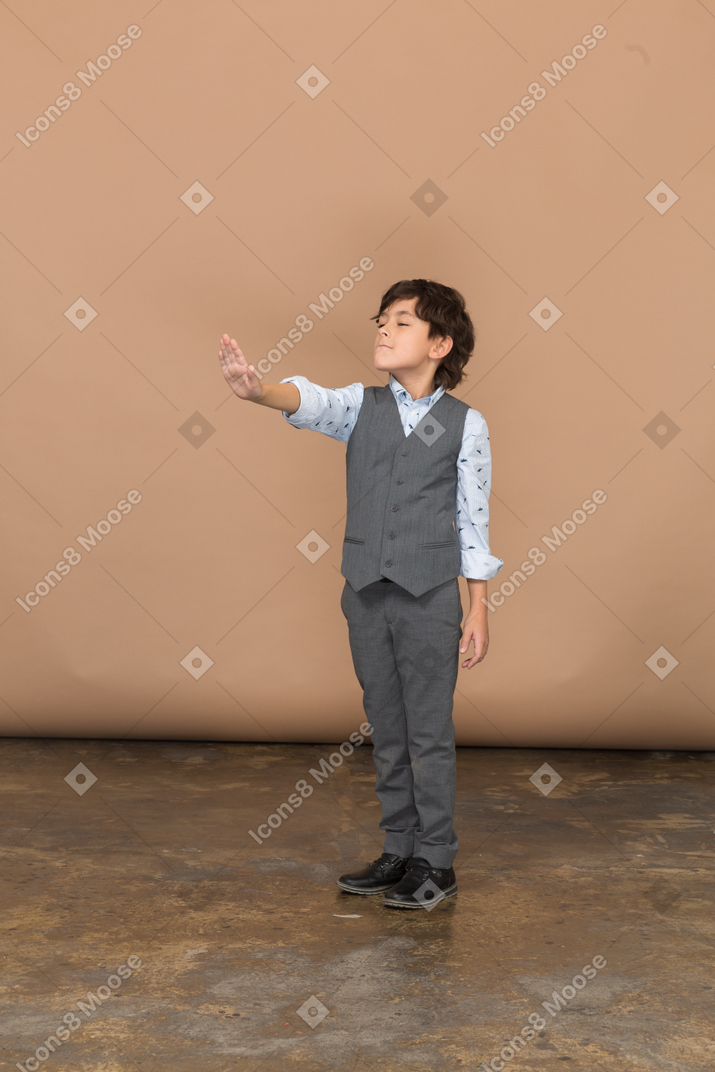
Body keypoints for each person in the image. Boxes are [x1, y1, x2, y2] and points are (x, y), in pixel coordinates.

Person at [218, 278, 503, 909]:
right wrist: (257, 390)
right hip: (367, 592)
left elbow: (473, 521)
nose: (384, 330)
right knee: (389, 726)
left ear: (440, 343)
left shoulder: (466, 425)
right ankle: (399, 849)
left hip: (430, 595)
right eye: (382, 320)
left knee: (429, 731)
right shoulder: (360, 407)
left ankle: (437, 861)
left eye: (402, 322)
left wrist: (479, 606)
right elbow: (308, 399)